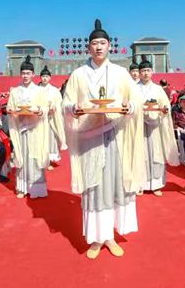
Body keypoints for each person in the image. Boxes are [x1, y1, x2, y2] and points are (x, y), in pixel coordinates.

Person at [62, 19, 145, 259]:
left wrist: (130, 106)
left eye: (103, 43)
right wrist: (73, 108)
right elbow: (66, 102)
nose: (98, 47)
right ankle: (96, 238)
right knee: (94, 186)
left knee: (113, 183)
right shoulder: (78, 74)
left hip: (115, 135)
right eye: (94, 43)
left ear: (110, 46)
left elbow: (136, 99)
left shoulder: (120, 73)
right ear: (88, 47)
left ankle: (109, 235)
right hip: (89, 137)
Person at [7, 56, 49, 199]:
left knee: (35, 158)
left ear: (33, 74)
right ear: (21, 74)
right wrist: (12, 112)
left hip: (35, 128)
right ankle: (21, 187)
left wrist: (40, 111)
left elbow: (45, 107)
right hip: (21, 128)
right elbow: (10, 107)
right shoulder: (15, 91)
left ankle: (37, 189)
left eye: (28, 73)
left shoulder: (39, 91)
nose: (25, 76)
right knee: (22, 157)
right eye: (23, 73)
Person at [136, 56, 179, 196]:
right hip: (139, 126)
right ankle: (139, 184)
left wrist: (164, 110)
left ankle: (156, 184)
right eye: (143, 71)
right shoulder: (134, 88)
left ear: (152, 72)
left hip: (155, 127)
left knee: (156, 154)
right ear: (139, 73)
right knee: (140, 154)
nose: (145, 73)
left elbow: (165, 105)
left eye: (148, 70)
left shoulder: (158, 89)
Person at [38, 66, 67, 167]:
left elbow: (60, 103)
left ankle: (50, 160)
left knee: (50, 140)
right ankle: (41, 160)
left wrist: (55, 108)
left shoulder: (54, 90)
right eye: (43, 76)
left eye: (47, 76)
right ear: (40, 77)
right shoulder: (36, 90)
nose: (45, 78)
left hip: (51, 119)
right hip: (39, 119)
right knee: (40, 139)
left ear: (50, 78)